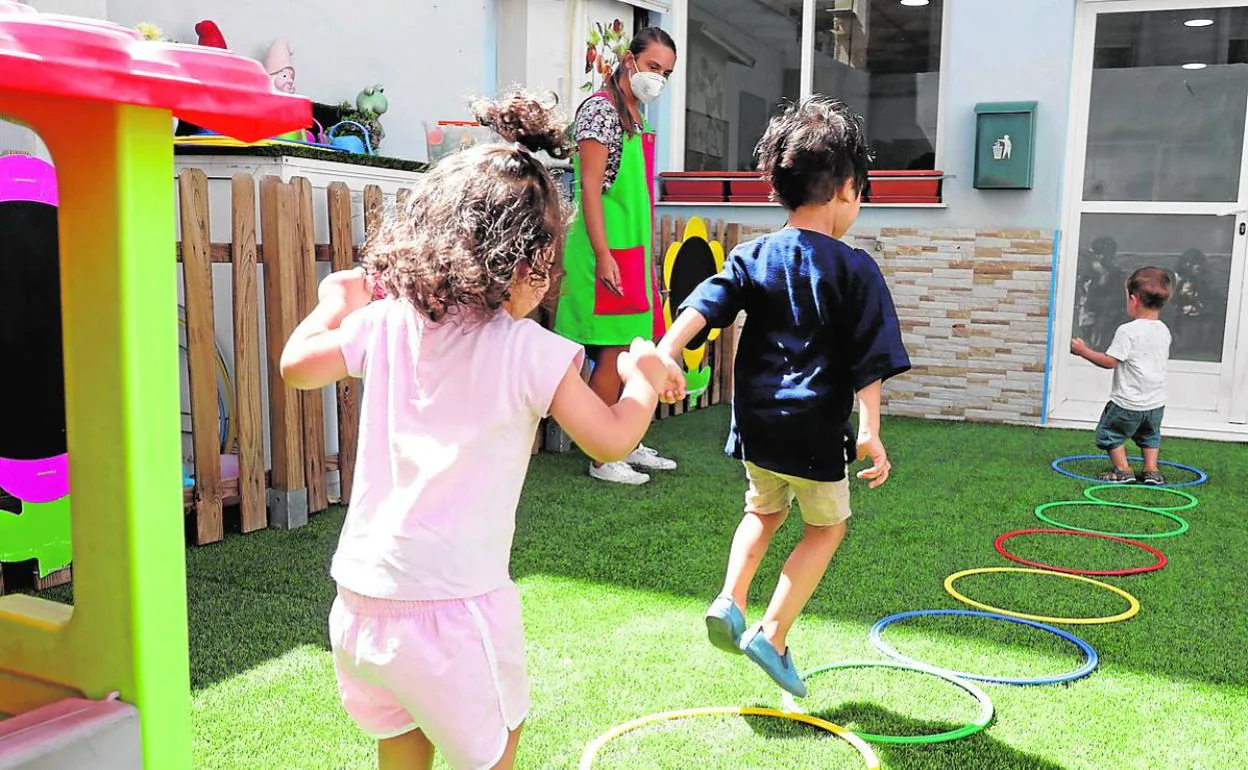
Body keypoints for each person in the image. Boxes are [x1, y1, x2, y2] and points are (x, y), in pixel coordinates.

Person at [278, 90, 671, 770]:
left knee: (401, 747)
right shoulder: (527, 351)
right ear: (527, 263)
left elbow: (296, 366)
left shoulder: (389, 323)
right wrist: (642, 372)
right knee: (493, 755)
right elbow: (611, 438)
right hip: (454, 612)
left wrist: (331, 303)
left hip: (363, 605)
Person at [656, 96, 911, 697]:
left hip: (758, 426)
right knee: (825, 529)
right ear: (846, 187)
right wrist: (869, 424)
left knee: (762, 511)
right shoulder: (855, 268)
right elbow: (868, 354)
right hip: (816, 426)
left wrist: (667, 351)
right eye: (861, 195)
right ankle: (772, 634)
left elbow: (703, 303)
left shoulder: (752, 253)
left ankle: (730, 599)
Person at [555, 27, 679, 485]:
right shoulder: (600, 112)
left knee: (630, 346)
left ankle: (625, 440)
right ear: (629, 61)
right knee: (609, 350)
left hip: (631, 249)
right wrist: (605, 255)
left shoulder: (635, 114)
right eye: (652, 67)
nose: (658, 79)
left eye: (665, 72)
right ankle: (602, 452)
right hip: (603, 250)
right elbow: (588, 188)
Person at [1070, 266, 1173, 485]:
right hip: (1155, 403)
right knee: (1149, 435)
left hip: (1127, 402)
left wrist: (1083, 351)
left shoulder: (1128, 331)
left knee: (1110, 433)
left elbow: (1110, 362)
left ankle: (1123, 470)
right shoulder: (1163, 329)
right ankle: (1151, 470)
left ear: (1133, 300)